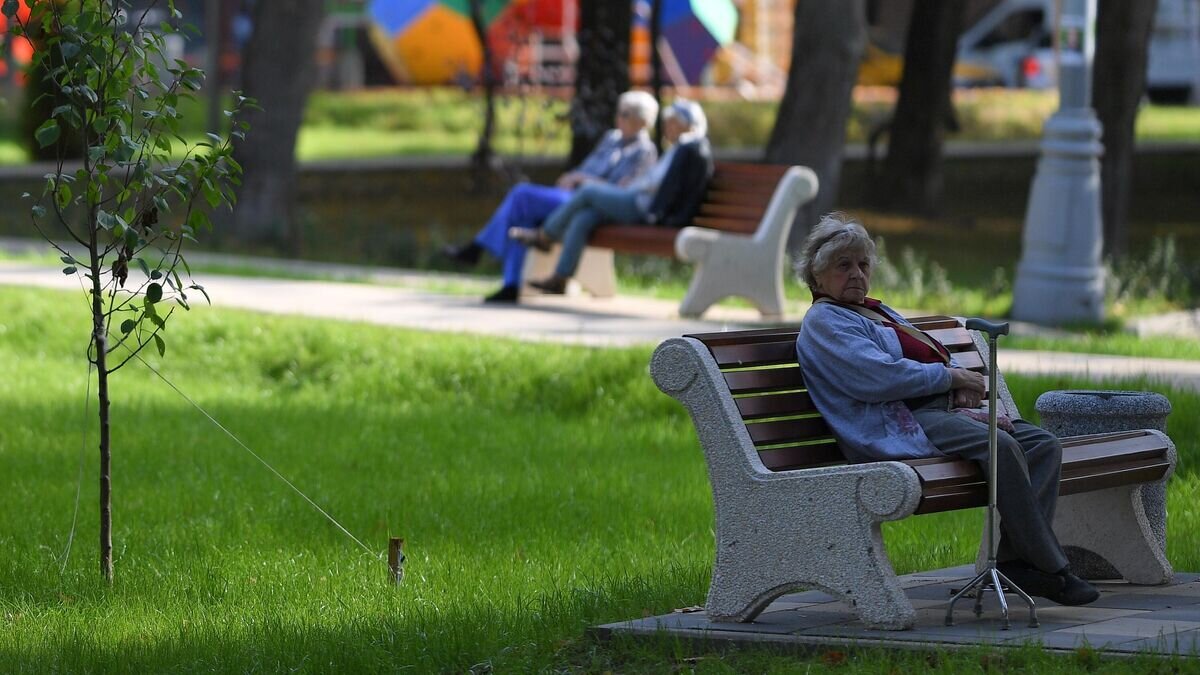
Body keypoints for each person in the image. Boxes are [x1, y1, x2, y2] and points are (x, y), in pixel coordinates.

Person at [793, 212, 1100, 607]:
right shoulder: (825, 321)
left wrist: (955, 388)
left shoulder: (871, 311)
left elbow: (917, 363)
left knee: (1042, 444)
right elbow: (878, 377)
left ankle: (1014, 561)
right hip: (895, 425)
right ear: (817, 277)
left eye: (863, 264)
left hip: (929, 413)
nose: (856, 274)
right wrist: (952, 379)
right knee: (1000, 448)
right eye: (843, 265)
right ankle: (1053, 569)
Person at [441, 90, 659, 303]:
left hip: (587, 201)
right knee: (521, 216)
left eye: (625, 114)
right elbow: (585, 168)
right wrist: (572, 176)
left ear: (643, 121)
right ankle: (511, 285)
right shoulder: (611, 138)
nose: (618, 118)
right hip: (570, 196)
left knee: (521, 194)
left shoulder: (645, 151)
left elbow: (621, 190)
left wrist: (581, 180)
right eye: (620, 112)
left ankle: (478, 248)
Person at [513, 99, 713, 295]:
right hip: (637, 199)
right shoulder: (679, 148)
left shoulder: (687, 146)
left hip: (642, 206)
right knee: (584, 217)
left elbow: (658, 186)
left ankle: (545, 235)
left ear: (685, 125)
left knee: (588, 191)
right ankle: (560, 278)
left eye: (672, 123)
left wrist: (636, 186)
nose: (667, 128)